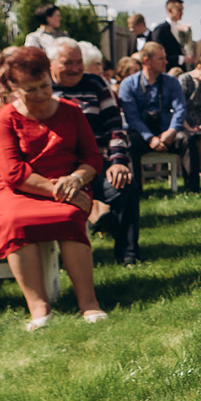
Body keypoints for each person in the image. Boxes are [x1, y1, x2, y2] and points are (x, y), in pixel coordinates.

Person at [0, 47, 108, 331]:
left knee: (68, 217)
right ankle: (38, 306)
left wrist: (77, 179)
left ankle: (88, 302)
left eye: (45, 86)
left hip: (69, 184)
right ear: (13, 87)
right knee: (17, 222)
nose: (42, 95)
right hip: (18, 191)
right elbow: (14, 171)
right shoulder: (5, 119)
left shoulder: (71, 111)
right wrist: (63, 191)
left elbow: (92, 158)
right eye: (31, 90)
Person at [50, 39, 136, 265]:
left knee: (124, 186)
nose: (76, 68)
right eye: (67, 63)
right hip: (57, 169)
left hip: (97, 163)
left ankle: (128, 255)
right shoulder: (43, 88)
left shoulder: (95, 84)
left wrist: (118, 162)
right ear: (51, 63)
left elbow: (114, 127)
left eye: (79, 62)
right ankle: (56, 261)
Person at [119, 41, 198, 192]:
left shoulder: (171, 82)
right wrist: (150, 138)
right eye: (161, 58)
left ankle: (193, 189)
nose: (166, 62)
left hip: (165, 130)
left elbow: (180, 109)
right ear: (146, 61)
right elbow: (132, 117)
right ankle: (135, 192)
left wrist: (172, 131)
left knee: (187, 139)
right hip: (140, 133)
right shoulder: (128, 85)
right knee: (129, 144)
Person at [147, 0, 191, 70]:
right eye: (179, 10)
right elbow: (156, 53)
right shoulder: (160, 30)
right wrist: (181, 59)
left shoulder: (182, 28)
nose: (182, 13)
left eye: (182, 10)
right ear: (169, 10)